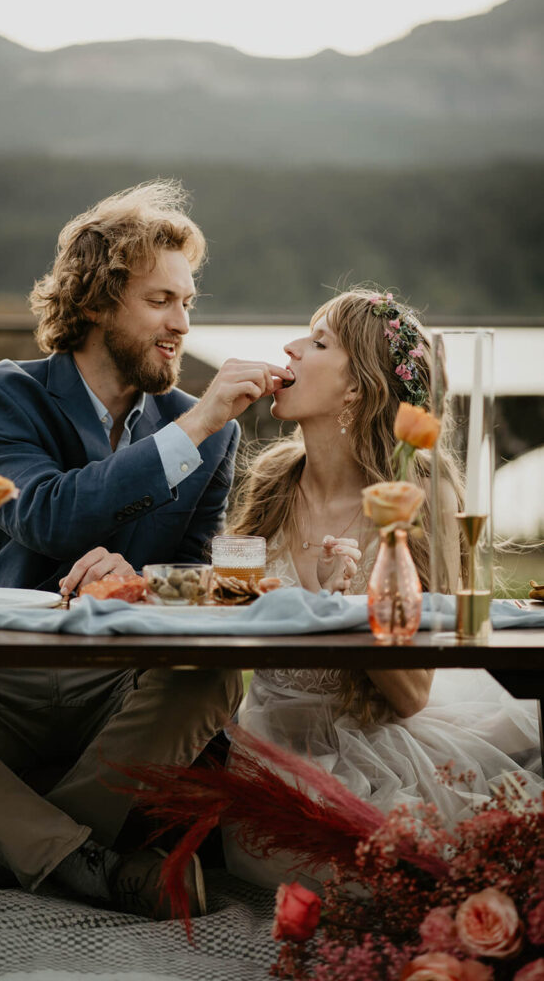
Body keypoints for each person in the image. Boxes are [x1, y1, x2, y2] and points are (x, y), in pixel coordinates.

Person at [0, 180, 293, 918]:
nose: (181, 323)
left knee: (214, 673)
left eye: (188, 302)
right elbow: (45, 516)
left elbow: (190, 572)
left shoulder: (207, 430)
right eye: (161, 300)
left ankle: (1, 851)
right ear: (94, 302)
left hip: (118, 689)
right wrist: (193, 428)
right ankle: (84, 857)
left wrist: (146, 580)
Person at [222, 287, 543, 890]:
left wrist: (340, 609)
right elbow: (229, 608)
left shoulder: (420, 495)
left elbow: (413, 694)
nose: (289, 348)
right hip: (270, 750)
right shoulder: (270, 482)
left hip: (380, 747)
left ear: (356, 388)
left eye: (317, 343)